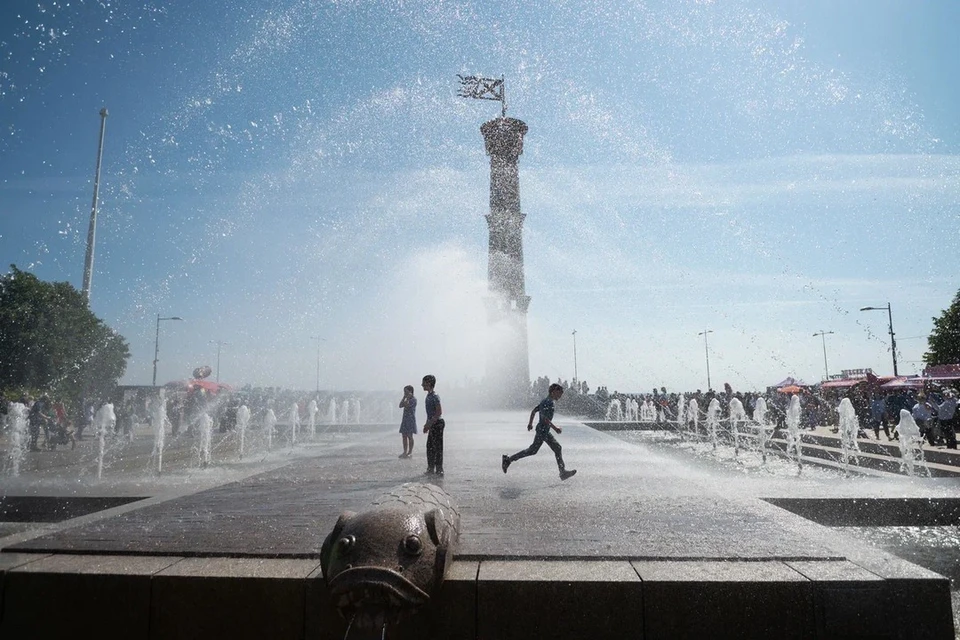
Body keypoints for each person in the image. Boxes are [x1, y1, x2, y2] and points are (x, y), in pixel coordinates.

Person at [502, 383, 577, 481]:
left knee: (556, 448)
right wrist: (555, 428)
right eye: (559, 393)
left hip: (544, 430)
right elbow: (544, 418)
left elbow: (534, 411)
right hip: (542, 431)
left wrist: (530, 423)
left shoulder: (545, 401)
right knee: (533, 450)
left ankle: (562, 472)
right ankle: (508, 460)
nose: (560, 396)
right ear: (554, 391)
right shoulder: (548, 402)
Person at [421, 375, 444, 476]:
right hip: (433, 424)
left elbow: (439, 412)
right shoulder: (429, 396)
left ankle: (439, 469)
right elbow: (429, 413)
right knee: (430, 447)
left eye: (424, 383)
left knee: (437, 447)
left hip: (437, 424)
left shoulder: (435, 396)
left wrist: (429, 424)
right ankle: (431, 468)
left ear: (429, 383)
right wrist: (427, 425)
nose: (422, 385)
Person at [398, 385, 417, 459]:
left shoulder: (414, 399)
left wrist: (407, 398)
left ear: (410, 391)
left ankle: (410, 452)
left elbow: (406, 405)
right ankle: (404, 451)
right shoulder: (406, 398)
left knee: (410, 436)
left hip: (410, 419)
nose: (405, 393)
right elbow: (400, 405)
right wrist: (404, 397)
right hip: (405, 419)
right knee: (404, 436)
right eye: (404, 391)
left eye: (406, 391)